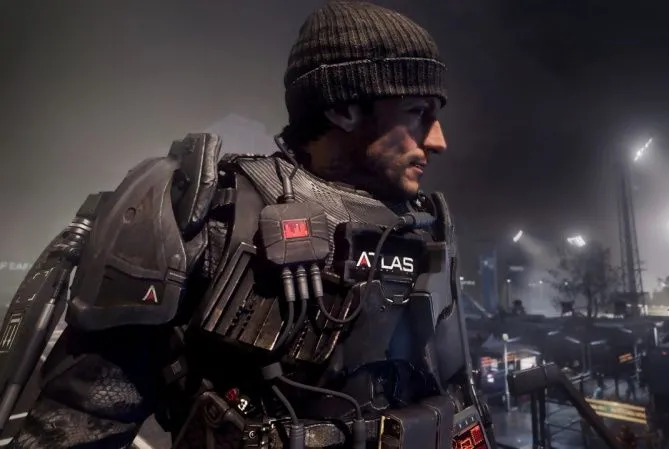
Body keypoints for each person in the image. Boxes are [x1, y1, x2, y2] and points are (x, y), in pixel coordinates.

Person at [1, 2, 494, 448]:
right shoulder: (212, 216)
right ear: (343, 108)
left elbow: (454, 396)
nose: (438, 141)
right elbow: (81, 420)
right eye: (417, 113)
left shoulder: (422, 226)